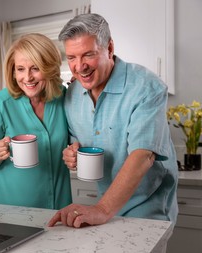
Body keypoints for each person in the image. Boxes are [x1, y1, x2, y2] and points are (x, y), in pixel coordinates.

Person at [48, 13, 178, 228]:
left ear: (109, 48)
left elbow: (143, 155)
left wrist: (102, 209)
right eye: (71, 57)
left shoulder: (146, 86)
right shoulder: (71, 94)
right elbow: (77, 144)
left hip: (148, 209)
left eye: (88, 55)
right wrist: (72, 154)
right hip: (105, 207)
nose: (79, 67)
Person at [0, 33, 72, 209]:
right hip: (8, 209)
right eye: (20, 69)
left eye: (35, 68)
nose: (27, 77)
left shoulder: (63, 97)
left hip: (58, 207)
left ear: (49, 67)